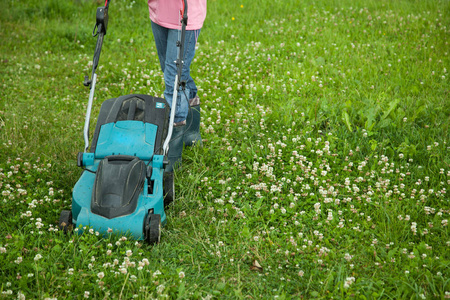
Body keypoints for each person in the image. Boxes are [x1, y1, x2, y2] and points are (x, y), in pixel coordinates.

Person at [148, 0, 207, 171]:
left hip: (185, 15)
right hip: (159, 11)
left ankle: (172, 153)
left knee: (173, 81)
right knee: (176, 74)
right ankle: (191, 132)